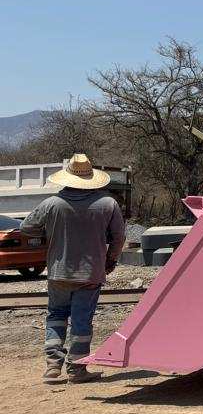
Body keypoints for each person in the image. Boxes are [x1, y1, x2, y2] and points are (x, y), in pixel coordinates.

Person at [21, 154, 125, 384]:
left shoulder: (51, 204)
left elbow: (26, 227)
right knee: (81, 321)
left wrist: (50, 232)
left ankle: (52, 366)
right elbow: (119, 238)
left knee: (56, 316)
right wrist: (110, 261)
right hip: (90, 273)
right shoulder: (107, 204)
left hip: (58, 272)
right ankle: (77, 369)